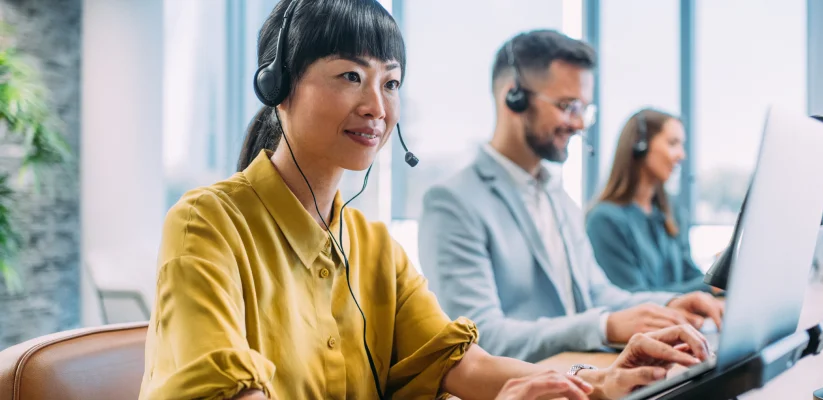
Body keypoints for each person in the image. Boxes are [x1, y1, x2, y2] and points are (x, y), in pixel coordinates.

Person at [138, 2, 713, 400]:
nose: (377, 107)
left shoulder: (371, 245)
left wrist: (599, 381)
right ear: (277, 87)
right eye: (349, 76)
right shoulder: (207, 223)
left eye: (389, 82)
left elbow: (464, 362)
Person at [418, 30, 724, 365]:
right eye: (568, 106)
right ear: (514, 97)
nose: (579, 123)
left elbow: (597, 294)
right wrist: (603, 326)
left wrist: (671, 304)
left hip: (583, 375)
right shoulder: (452, 202)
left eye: (584, 109)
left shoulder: (557, 196)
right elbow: (480, 337)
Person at [585, 109, 714, 294]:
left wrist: (718, 278)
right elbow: (634, 299)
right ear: (640, 145)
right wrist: (709, 286)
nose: (681, 155)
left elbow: (689, 274)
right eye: (672, 143)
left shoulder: (672, 211)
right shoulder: (604, 220)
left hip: (683, 321)